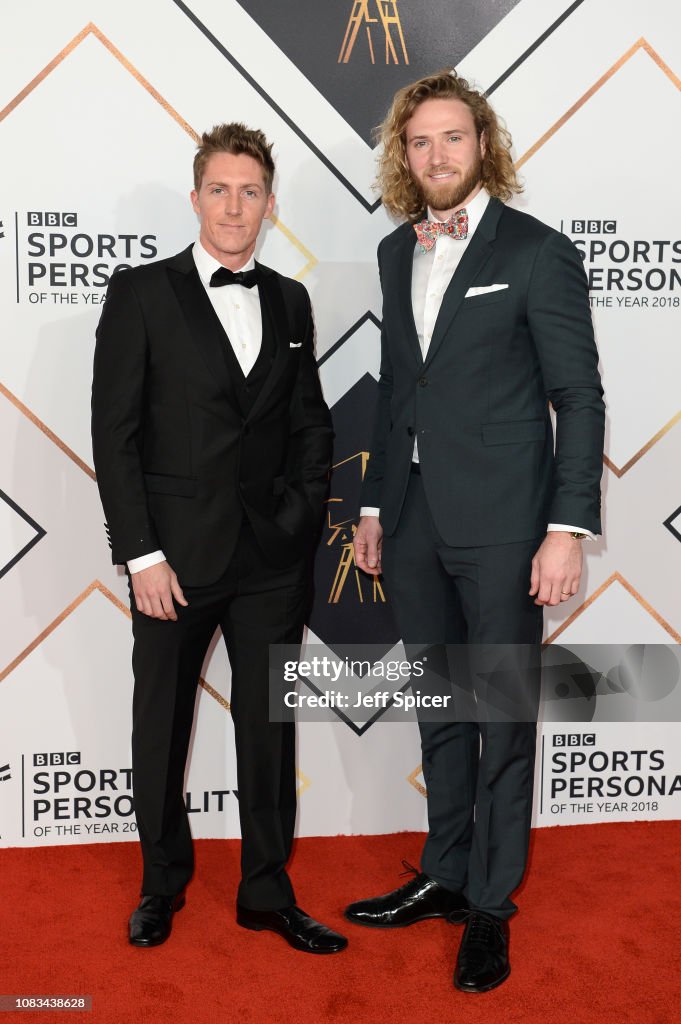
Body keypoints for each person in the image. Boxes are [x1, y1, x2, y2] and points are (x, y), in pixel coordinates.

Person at [346, 70, 604, 992]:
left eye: (452, 137)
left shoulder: (537, 252)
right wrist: (375, 507)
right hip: (411, 523)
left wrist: (566, 527)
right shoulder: (391, 251)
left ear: (482, 144)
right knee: (440, 710)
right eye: (419, 142)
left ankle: (492, 906)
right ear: (402, 155)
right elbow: (394, 392)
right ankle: (445, 873)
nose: (436, 155)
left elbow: (576, 396)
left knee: (499, 715)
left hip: (504, 528)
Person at [91, 123, 346, 955]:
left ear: (269, 205)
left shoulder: (290, 299)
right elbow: (114, 433)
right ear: (195, 197)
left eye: (250, 192)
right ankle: (160, 882)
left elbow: (310, 423)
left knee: (268, 731)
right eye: (219, 189)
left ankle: (266, 892)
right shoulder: (141, 293)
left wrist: (304, 515)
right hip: (172, 560)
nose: (234, 206)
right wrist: (141, 555)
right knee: (160, 726)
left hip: (271, 560)